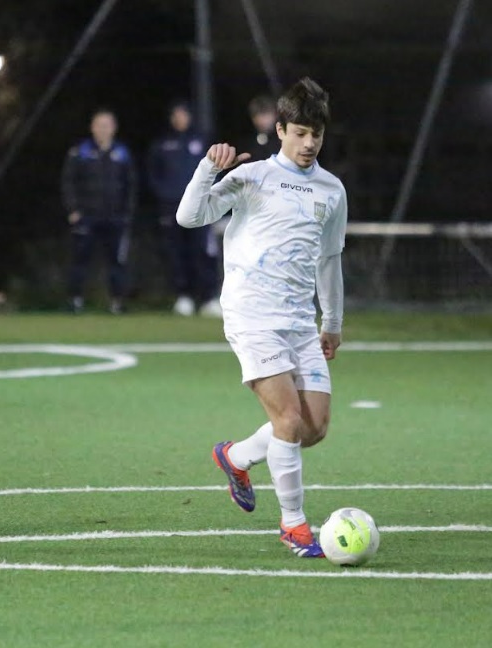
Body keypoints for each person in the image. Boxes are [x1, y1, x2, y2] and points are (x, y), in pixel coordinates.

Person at [176, 78, 347, 558]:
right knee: (288, 419)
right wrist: (208, 168)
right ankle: (294, 526)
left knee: (313, 428)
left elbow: (329, 259)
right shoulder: (252, 178)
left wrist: (331, 321)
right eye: (300, 132)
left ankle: (235, 457)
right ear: (280, 130)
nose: (309, 143)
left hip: (298, 321)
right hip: (252, 314)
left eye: (317, 134)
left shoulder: (332, 191)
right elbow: (189, 217)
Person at [147, 101, 221, 317]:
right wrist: (165, 195)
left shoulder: (203, 140)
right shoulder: (162, 143)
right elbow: (153, 174)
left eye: (183, 114)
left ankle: (208, 298)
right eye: (175, 115)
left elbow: (217, 169)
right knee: (177, 253)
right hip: (172, 209)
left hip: (200, 207)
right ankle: (184, 297)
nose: (179, 119)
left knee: (203, 251)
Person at [61, 108, 137, 314]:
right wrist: (73, 210)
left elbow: (131, 184)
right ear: (92, 128)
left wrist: (127, 212)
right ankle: (75, 300)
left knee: (117, 261)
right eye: (99, 125)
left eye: (107, 125)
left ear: (113, 128)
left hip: (115, 217)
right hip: (86, 216)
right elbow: (68, 181)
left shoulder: (122, 153)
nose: (103, 130)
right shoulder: (81, 151)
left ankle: (117, 302)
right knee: (80, 260)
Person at [243, 94, 279, 162]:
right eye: (256, 115)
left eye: (266, 114)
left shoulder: (283, 139)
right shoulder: (247, 143)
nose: (262, 120)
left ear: (275, 114)